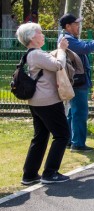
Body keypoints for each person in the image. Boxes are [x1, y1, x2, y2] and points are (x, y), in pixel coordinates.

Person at [16, 22, 71, 185]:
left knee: (40, 136)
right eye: (40, 33)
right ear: (33, 37)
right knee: (62, 135)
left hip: (37, 101)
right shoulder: (36, 54)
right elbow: (58, 65)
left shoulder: (32, 54)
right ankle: (50, 172)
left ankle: (30, 174)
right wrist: (61, 50)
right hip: (48, 101)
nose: (43, 35)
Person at [59, 13, 94, 151]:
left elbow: (86, 46)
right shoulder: (68, 39)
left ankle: (70, 140)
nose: (78, 26)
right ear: (68, 26)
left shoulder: (68, 38)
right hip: (77, 81)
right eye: (76, 24)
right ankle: (78, 143)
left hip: (75, 80)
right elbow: (86, 48)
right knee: (80, 112)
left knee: (73, 112)